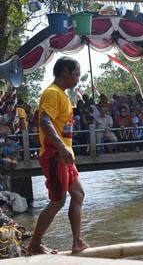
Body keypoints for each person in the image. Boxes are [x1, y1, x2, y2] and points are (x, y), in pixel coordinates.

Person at [28, 57, 88, 255]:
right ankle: (35, 244)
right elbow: (45, 121)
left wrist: (67, 147)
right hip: (55, 155)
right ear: (65, 71)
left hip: (65, 155)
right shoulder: (52, 93)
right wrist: (62, 146)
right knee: (58, 200)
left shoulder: (63, 95)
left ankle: (77, 241)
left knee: (78, 194)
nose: (78, 78)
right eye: (76, 73)